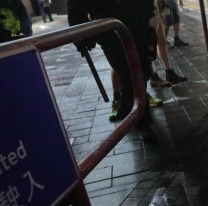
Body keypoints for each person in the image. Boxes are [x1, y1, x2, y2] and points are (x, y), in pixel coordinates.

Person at [68, 0, 159, 141]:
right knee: (128, 74)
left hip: (138, 23)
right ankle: (142, 121)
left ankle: (127, 105)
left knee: (144, 69)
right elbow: (77, 6)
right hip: (111, 30)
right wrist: (81, 37)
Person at [151, 0, 188, 86]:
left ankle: (169, 72)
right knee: (149, 42)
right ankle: (153, 76)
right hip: (147, 8)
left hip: (155, 6)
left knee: (161, 40)